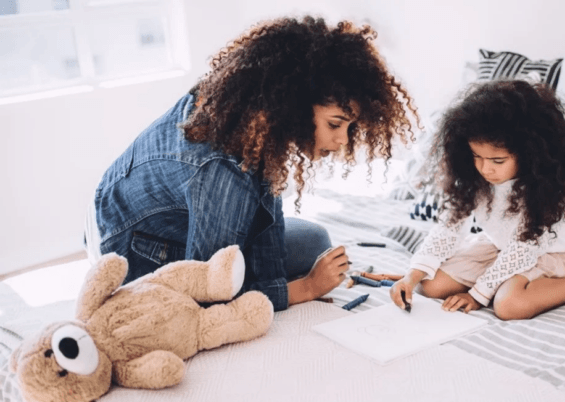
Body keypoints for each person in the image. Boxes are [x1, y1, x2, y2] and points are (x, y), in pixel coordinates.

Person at [84, 16, 418, 312]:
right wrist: (305, 288)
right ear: (295, 107)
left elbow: (267, 221)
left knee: (315, 240)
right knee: (292, 259)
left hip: (127, 212)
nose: (343, 140)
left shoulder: (251, 119)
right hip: (129, 251)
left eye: (349, 127)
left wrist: (275, 281)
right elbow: (208, 292)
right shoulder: (223, 168)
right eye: (334, 124)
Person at [389, 79, 565, 320]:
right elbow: (447, 229)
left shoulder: (543, 190)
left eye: (497, 161)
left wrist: (478, 294)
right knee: (429, 286)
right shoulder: (473, 180)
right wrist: (411, 276)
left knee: (508, 305)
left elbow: (523, 250)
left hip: (549, 254)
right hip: (498, 247)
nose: (485, 168)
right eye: (476, 156)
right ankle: (441, 263)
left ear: (529, 154)